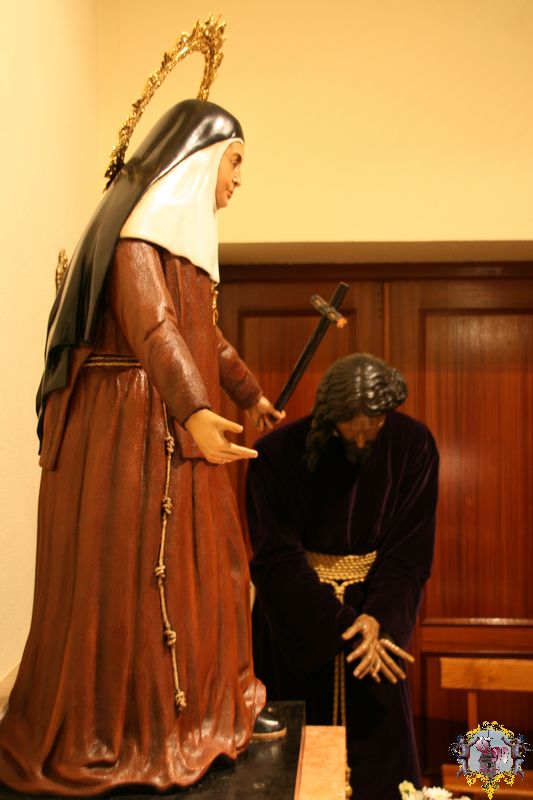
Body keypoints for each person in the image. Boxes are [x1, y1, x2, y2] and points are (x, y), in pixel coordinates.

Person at [0, 98, 284, 797]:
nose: (239, 178)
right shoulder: (136, 240)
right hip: (129, 431)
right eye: (235, 161)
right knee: (139, 578)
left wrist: (247, 393)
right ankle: (136, 730)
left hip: (172, 425)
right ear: (197, 162)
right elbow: (155, 328)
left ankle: (214, 708)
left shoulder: (179, 249)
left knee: (219, 568)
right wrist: (195, 409)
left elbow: (204, 337)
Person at [246, 353, 439, 800]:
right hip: (295, 621)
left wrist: (380, 622)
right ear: (329, 414)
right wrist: (343, 629)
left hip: (375, 625)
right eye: (352, 424)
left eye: (375, 423)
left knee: (381, 770)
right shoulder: (276, 453)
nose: (364, 434)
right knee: (288, 768)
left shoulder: (413, 445)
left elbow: (408, 552)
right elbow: (275, 559)